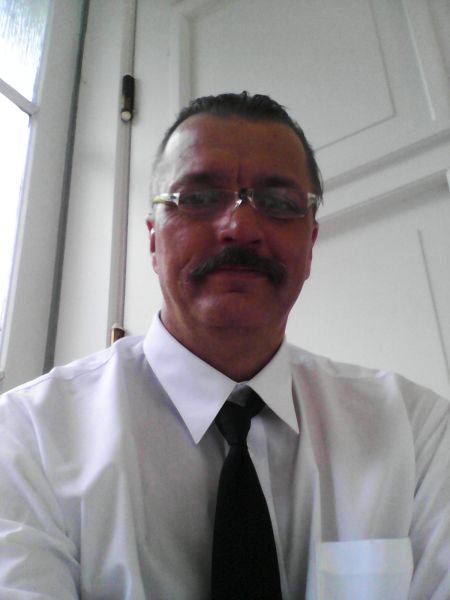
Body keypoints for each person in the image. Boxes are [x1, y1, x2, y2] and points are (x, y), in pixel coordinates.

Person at [0, 91, 449, 600]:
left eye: (278, 203)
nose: (240, 226)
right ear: (154, 238)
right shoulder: (27, 438)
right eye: (197, 198)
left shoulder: (419, 434)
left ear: (310, 244)